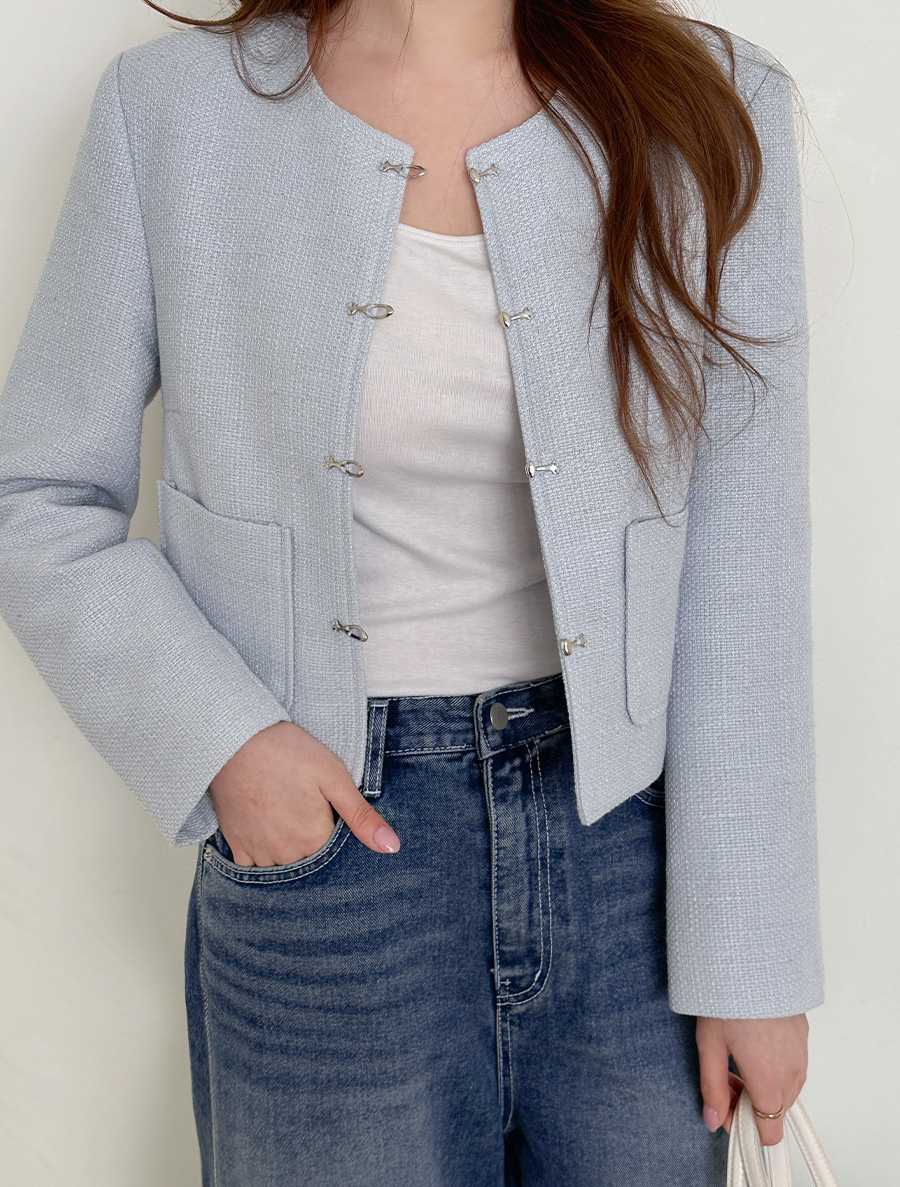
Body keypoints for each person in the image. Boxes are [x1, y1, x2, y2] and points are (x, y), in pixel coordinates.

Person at [0, 0, 823, 1183]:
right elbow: (38, 493)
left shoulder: (708, 102)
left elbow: (746, 555)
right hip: (327, 862)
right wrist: (229, 743)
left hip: (634, 864)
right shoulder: (172, 112)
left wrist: (753, 957)